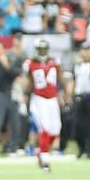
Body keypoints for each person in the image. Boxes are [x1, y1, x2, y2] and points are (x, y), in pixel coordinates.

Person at [22, 38, 61, 172]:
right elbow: (28, 82)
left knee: (56, 130)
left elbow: (59, 79)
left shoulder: (55, 61)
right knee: (45, 129)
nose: (42, 51)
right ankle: (45, 160)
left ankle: (40, 150)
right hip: (39, 99)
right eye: (40, 49)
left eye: (44, 49)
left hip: (53, 99)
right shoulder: (30, 63)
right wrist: (24, 97)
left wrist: (63, 95)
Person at [0, 42, 21, 156]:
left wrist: (6, 65)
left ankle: (13, 147)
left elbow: (16, 73)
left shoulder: (10, 61)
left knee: (14, 122)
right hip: (0, 95)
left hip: (11, 93)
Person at [70, 43, 90, 158]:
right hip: (79, 97)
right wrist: (70, 95)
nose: (86, 53)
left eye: (88, 50)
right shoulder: (77, 66)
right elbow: (73, 81)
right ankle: (81, 148)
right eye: (84, 50)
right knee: (78, 124)